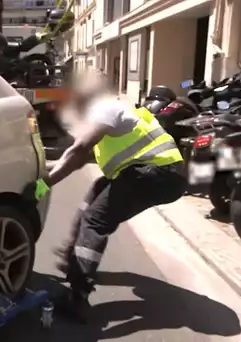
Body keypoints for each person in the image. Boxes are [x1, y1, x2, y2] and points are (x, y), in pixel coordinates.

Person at [25, 72, 187, 323]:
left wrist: (40, 187)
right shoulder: (109, 118)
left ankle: (78, 296)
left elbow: (77, 151)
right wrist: (42, 167)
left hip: (156, 172)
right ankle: (74, 261)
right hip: (154, 174)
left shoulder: (105, 108)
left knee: (95, 221)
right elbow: (76, 160)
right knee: (94, 197)